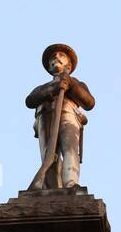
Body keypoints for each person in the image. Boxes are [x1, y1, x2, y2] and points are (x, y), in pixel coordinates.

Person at [26, 43, 94, 189]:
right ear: (50, 67)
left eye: (61, 55)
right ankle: (50, 188)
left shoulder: (77, 83)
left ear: (69, 66)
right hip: (45, 117)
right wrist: (53, 88)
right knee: (48, 155)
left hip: (68, 115)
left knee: (69, 149)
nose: (56, 57)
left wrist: (71, 84)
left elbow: (89, 102)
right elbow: (30, 100)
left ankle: (71, 183)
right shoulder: (42, 87)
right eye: (53, 57)